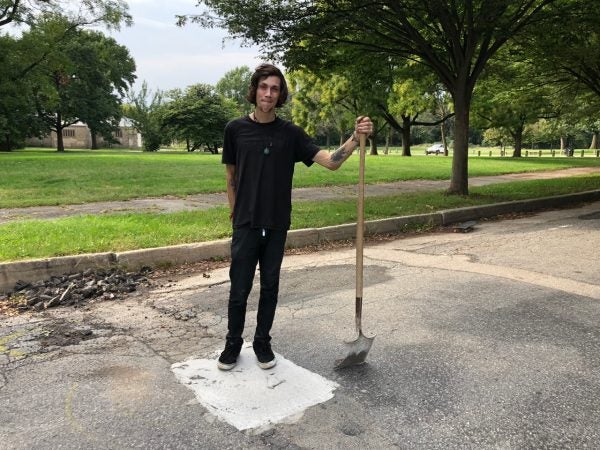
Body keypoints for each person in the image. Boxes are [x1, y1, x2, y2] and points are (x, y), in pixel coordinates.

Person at [218, 63, 373, 370]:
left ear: (280, 94)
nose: (268, 93)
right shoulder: (235, 129)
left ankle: (262, 342)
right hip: (246, 223)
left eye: (275, 88)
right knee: (239, 289)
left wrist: (355, 138)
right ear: (254, 90)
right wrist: (235, 214)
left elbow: (330, 162)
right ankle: (232, 343)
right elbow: (231, 176)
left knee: (271, 287)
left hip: (276, 224)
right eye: (263, 87)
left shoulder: (290, 134)